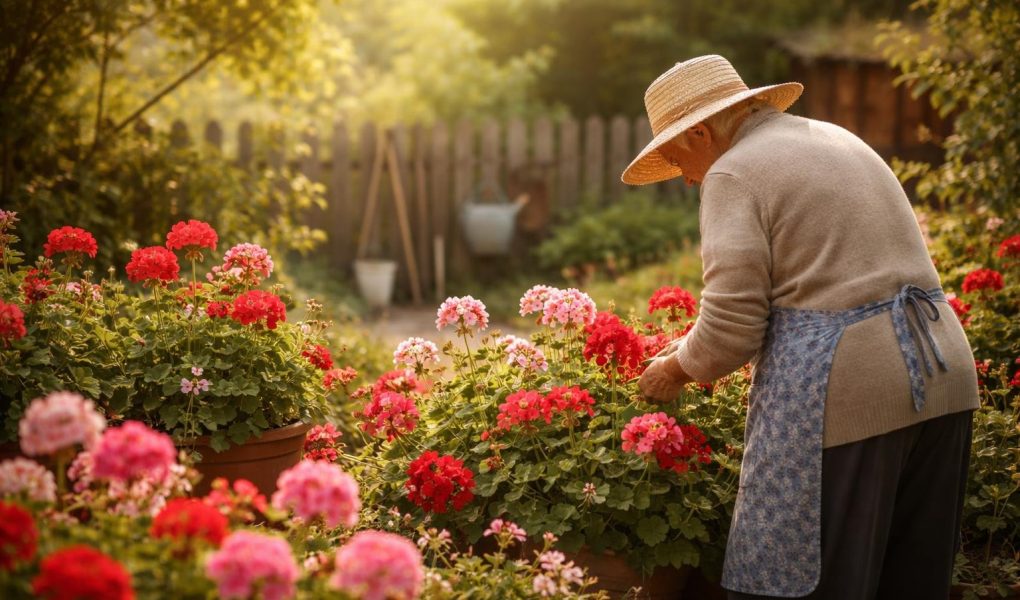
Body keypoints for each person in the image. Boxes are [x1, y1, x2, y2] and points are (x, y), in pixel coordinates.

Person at [625, 55, 979, 600]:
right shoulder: (832, 137)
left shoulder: (733, 171)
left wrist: (670, 370)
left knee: (811, 586)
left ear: (700, 130)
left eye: (678, 158)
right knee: (909, 582)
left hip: (852, 391)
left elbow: (730, 332)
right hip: (943, 370)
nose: (687, 176)